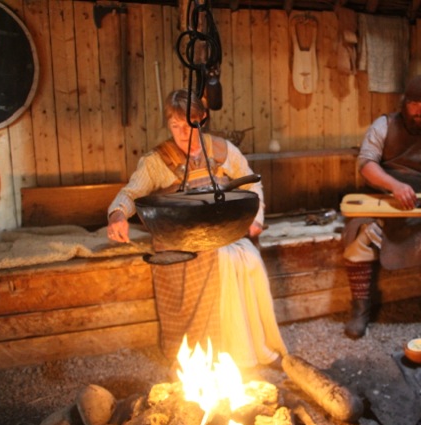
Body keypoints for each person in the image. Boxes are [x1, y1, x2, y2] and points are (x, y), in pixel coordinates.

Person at [107, 89, 288, 368]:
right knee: (215, 261)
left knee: (246, 258)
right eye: (175, 126)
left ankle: (247, 349)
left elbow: (251, 183)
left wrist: (255, 218)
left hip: (218, 234)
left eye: (189, 126)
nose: (182, 135)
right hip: (178, 239)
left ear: (202, 119)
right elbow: (130, 194)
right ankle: (202, 356)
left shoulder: (223, 151)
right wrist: (117, 215)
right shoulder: (158, 160)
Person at [342, 74, 421, 338]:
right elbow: (366, 164)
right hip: (383, 199)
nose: (420, 112)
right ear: (405, 102)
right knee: (358, 237)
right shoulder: (384, 125)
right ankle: (361, 308)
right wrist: (394, 186)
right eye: (414, 104)